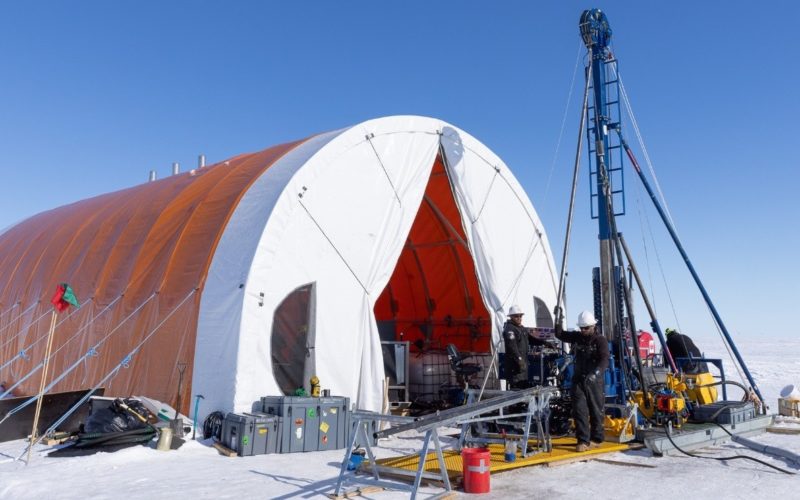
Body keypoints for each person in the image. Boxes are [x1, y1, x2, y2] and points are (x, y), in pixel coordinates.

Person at [555, 310, 609, 452]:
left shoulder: (600, 341)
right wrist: (558, 320)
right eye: (581, 328)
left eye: (586, 328)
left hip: (593, 381)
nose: (583, 330)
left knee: (596, 409)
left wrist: (596, 373)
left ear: (593, 326)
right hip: (578, 379)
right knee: (579, 410)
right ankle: (583, 440)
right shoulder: (577, 337)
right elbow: (560, 335)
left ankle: (597, 438)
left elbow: (604, 359)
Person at [502, 304, 551, 389]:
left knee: (524, 388)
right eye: (516, 316)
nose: (519, 318)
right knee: (516, 391)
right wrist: (519, 360)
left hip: (523, 368)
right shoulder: (510, 329)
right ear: (511, 317)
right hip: (515, 368)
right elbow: (512, 347)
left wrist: (544, 343)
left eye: (520, 316)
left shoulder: (521, 328)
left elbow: (531, 339)